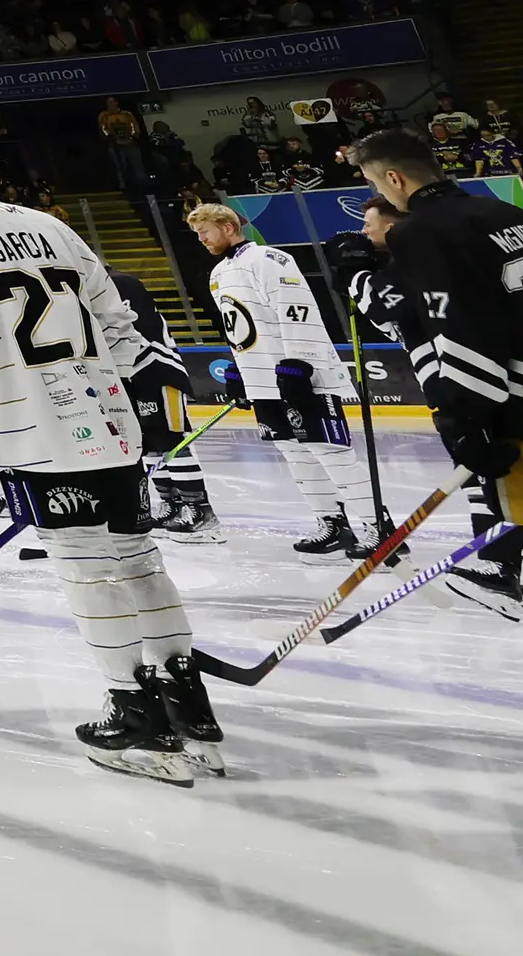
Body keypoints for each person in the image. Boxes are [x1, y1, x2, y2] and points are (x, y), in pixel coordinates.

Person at [0, 140, 218, 783]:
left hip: (34, 428)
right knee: (136, 559)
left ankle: (137, 718)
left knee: (87, 570)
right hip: (109, 420)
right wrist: (158, 383)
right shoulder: (49, 225)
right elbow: (119, 318)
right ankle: (190, 709)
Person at [345, 127, 523, 621]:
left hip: (512, 396)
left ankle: (505, 572)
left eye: (376, 185)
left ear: (395, 179)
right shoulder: (504, 213)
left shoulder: (420, 232)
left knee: (508, 494)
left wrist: (462, 416)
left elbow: (462, 326)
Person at [187, 201, 376, 553]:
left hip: (299, 377)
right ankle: (332, 524)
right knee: (297, 455)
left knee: (330, 452)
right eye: (197, 234)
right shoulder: (219, 273)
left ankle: (377, 526)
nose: (201, 239)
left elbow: (296, 313)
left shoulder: (270, 260)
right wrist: (239, 370)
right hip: (263, 382)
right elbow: (240, 328)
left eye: (205, 232)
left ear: (228, 227)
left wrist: (296, 366)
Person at [106, 271, 219, 540]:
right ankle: (172, 503)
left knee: (170, 438)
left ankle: (199, 509)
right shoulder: (98, 285)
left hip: (156, 369)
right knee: (147, 443)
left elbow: (139, 329)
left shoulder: (120, 283)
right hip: (132, 373)